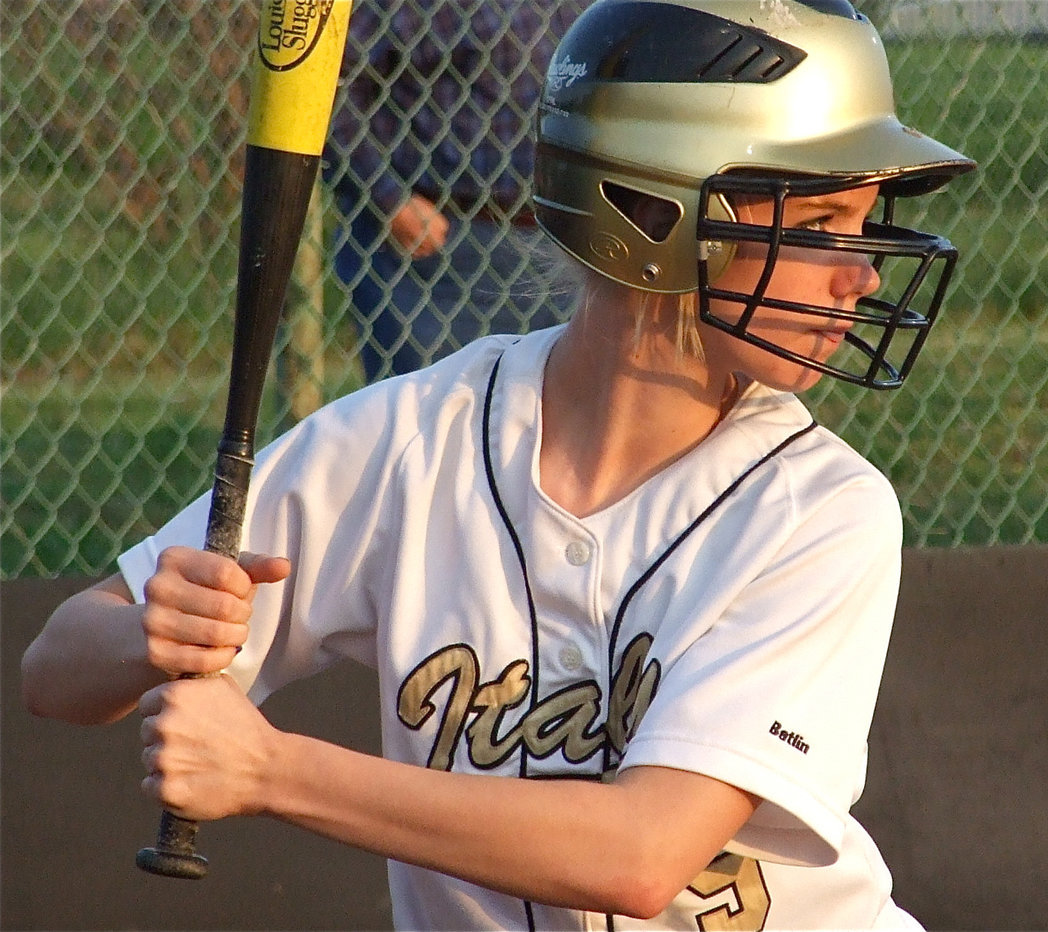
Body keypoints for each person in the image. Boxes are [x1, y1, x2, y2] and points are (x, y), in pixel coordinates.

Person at [22, 1, 974, 928]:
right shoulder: (415, 439)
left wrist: (274, 770)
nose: (865, 273)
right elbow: (55, 668)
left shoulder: (820, 509)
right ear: (655, 211)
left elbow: (638, 855)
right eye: (825, 223)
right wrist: (152, 632)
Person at [324, 0, 587, 382]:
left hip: (567, 240)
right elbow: (329, 84)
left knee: (548, 416)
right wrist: (388, 198)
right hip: (448, 250)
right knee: (432, 421)